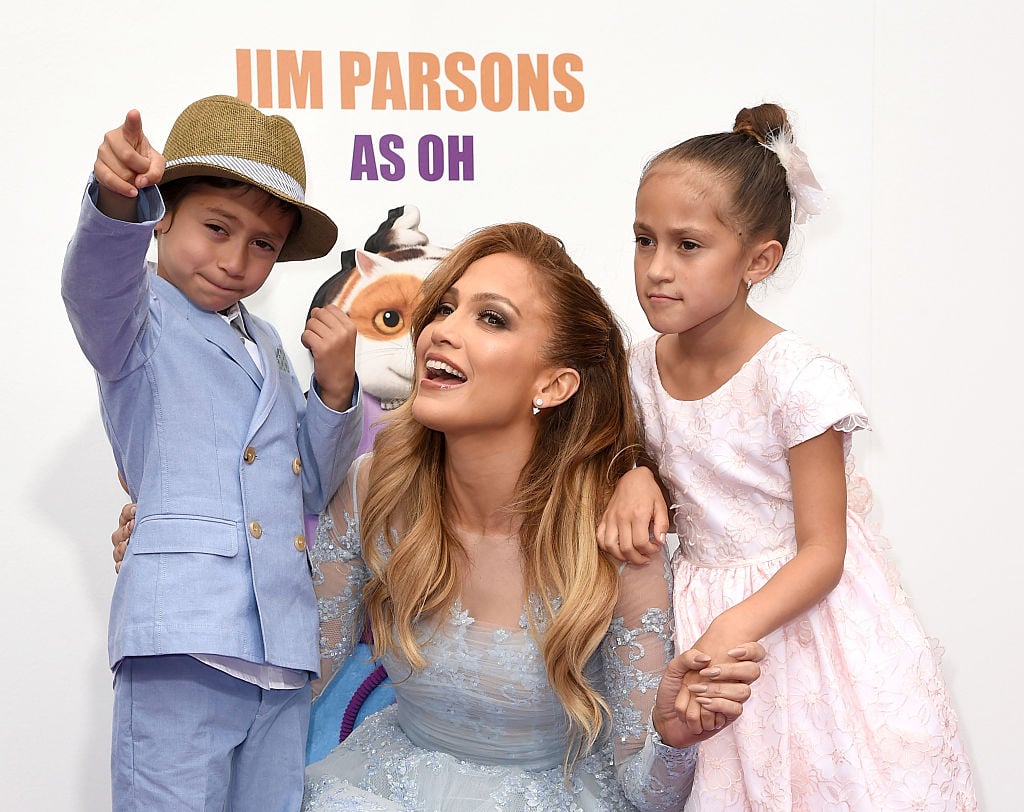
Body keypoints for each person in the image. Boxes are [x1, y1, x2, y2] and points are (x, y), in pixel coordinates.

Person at [301, 222, 765, 811]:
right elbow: (298, 677)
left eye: (491, 318)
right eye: (443, 308)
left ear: (554, 382)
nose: (441, 331)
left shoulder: (617, 535)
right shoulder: (376, 485)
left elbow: (648, 796)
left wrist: (674, 738)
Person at [597, 103, 978, 809]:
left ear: (759, 260)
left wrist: (738, 622)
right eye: (644, 240)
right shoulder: (638, 368)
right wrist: (631, 472)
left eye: (688, 245)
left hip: (802, 622)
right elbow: (620, 446)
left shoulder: (798, 378)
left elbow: (824, 551)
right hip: (697, 605)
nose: (656, 269)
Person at [62, 94, 363, 811]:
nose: (235, 260)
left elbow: (313, 486)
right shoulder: (134, 318)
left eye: (262, 244)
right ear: (161, 214)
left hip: (281, 650)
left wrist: (335, 386)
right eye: (216, 228)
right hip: (182, 637)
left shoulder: (266, 345)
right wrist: (113, 201)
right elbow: (91, 286)